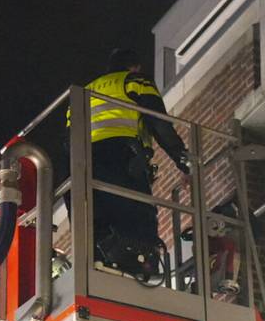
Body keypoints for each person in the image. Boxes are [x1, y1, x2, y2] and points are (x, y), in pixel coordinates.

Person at [68, 48, 190, 276]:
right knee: (138, 215)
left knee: (100, 223)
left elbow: (70, 135)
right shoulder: (135, 80)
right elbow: (159, 124)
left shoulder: (83, 94)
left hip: (81, 164)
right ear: (134, 67)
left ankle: (101, 265)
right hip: (121, 154)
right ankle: (142, 267)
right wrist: (185, 163)